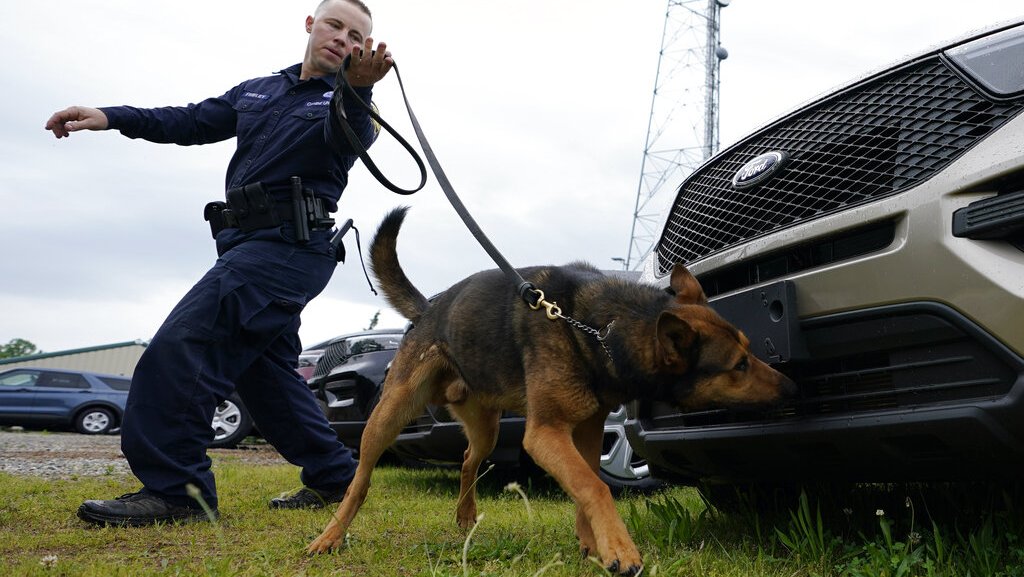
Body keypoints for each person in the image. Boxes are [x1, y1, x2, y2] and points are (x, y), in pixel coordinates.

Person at [44, 0, 392, 526]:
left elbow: (345, 138)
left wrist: (360, 89)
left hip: (288, 251)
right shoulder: (258, 90)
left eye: (356, 36)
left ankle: (178, 492)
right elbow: (190, 120)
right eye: (334, 25)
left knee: (185, 346)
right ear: (310, 25)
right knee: (263, 374)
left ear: (364, 50)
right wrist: (111, 117)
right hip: (242, 242)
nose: (343, 38)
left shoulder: (351, 105)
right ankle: (334, 477)